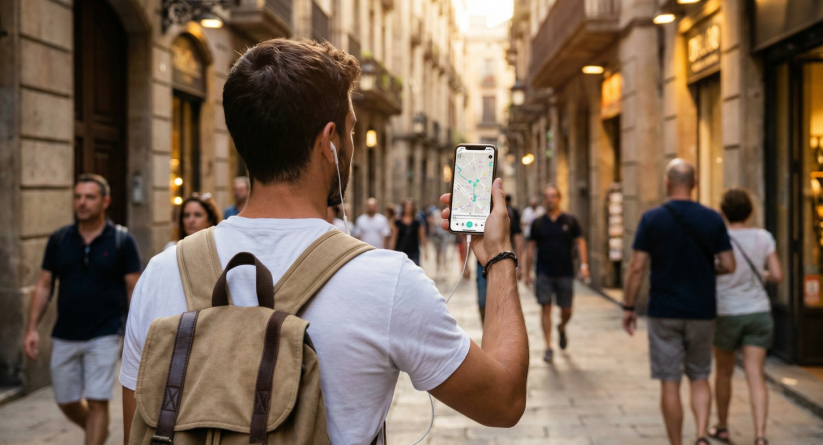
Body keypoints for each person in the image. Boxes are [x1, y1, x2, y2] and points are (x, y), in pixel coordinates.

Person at [120, 39, 528, 445]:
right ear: (328, 142)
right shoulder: (387, 281)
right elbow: (504, 400)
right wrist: (498, 256)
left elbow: (136, 428)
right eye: (351, 130)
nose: (352, 145)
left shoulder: (161, 272)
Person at [621, 159, 736, 445]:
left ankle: (677, 443)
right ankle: (700, 434)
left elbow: (636, 267)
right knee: (699, 375)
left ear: (667, 183)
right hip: (702, 310)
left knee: (669, 381)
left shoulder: (652, 218)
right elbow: (729, 264)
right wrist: (709, 268)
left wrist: (629, 306)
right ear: (694, 183)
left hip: (665, 311)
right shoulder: (712, 218)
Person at [23, 173, 141, 445]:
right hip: (64, 332)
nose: (82, 202)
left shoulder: (122, 240)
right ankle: (96, 429)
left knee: (98, 401)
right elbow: (43, 285)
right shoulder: (60, 239)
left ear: (105, 201)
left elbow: (134, 288)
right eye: (78, 197)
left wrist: (134, 333)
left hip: (105, 332)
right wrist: (31, 329)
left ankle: (94, 433)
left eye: (90, 197)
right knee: (66, 400)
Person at [708, 188, 783, 445]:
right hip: (758, 312)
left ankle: (722, 426)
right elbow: (778, 275)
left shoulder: (719, 237)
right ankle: (760, 434)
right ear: (750, 211)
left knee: (724, 372)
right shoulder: (763, 237)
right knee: (755, 374)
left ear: (723, 211)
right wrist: (761, 275)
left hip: (727, 312)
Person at [522, 185, 588, 363]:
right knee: (545, 307)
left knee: (566, 310)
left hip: (565, 272)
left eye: (553, 196)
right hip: (544, 272)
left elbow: (580, 242)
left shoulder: (570, 220)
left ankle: (561, 326)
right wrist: (527, 272)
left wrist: (584, 265)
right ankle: (548, 346)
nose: (550, 199)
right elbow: (530, 248)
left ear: (559, 198)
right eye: (547, 196)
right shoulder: (538, 223)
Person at [476, 194, 524, 323]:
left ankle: (499, 329)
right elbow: (473, 239)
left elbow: (518, 238)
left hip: (504, 262)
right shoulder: (480, 213)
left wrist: (521, 265)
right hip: (482, 263)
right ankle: (486, 329)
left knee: (504, 300)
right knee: (482, 300)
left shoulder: (508, 215)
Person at [389, 199, 429, 266]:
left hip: (414, 251)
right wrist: (391, 251)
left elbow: (422, 237)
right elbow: (393, 237)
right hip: (400, 250)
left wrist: (425, 251)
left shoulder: (417, 222)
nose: (408, 209)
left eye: (410, 207)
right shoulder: (398, 222)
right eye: (406, 207)